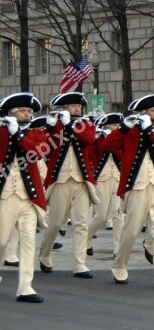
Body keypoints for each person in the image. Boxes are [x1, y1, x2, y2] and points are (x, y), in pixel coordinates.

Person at [103, 94, 154, 289]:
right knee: (131, 231)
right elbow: (107, 146)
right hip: (136, 187)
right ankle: (119, 264)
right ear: (143, 113)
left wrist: (149, 129)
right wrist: (124, 127)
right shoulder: (130, 131)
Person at [39, 92, 97, 278]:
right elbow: (47, 145)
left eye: (79, 106)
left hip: (81, 180)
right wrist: (59, 125)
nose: (78, 109)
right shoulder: (54, 125)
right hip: (60, 180)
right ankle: (45, 253)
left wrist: (70, 126)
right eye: (73, 106)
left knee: (81, 223)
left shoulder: (86, 124)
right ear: (64, 108)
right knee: (55, 222)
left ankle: (80, 264)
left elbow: (88, 140)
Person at [0, 93, 50, 302]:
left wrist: (17, 134)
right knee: (1, 241)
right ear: (11, 112)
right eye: (23, 110)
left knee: (29, 242)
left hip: (29, 197)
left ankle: (26, 287)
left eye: (30, 111)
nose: (28, 114)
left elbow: (36, 152)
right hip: (5, 195)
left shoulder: (37, 134)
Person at [87, 113, 125, 257]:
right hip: (102, 180)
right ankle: (86, 238)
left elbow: (122, 156)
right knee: (101, 216)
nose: (116, 128)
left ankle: (118, 249)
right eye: (114, 125)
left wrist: (114, 138)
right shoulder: (99, 138)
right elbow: (91, 155)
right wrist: (97, 137)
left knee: (118, 216)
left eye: (118, 125)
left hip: (118, 179)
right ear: (106, 126)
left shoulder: (120, 140)